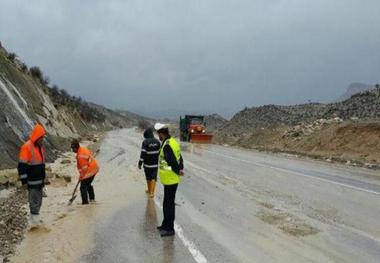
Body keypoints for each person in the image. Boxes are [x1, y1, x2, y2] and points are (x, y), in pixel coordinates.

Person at [154, 123, 184, 237]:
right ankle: (165, 224)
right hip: (170, 179)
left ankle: (169, 229)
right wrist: (180, 168)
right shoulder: (171, 142)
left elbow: (172, 161)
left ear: (162, 133)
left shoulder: (167, 145)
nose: (158, 137)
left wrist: (178, 171)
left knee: (169, 205)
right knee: (167, 203)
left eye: (159, 135)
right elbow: (180, 157)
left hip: (171, 179)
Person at [18, 123, 47, 224]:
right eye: (41, 138)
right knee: (34, 202)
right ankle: (35, 223)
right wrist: (24, 181)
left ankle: (35, 220)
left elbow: (42, 164)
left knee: (38, 202)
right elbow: (22, 166)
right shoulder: (26, 147)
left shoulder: (40, 147)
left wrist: (44, 179)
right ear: (37, 137)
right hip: (32, 181)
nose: (43, 140)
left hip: (39, 181)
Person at [71, 139, 99, 205]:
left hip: (91, 170)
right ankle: (92, 199)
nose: (72, 151)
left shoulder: (80, 156)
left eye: (72, 149)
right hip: (94, 167)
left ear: (75, 148)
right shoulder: (82, 149)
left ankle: (85, 203)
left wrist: (82, 177)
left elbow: (84, 168)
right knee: (88, 184)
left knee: (83, 187)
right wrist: (81, 175)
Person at [138, 128, 161, 198]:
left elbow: (143, 153)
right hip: (155, 164)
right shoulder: (158, 142)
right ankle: (152, 193)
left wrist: (140, 163)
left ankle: (149, 190)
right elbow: (160, 153)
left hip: (147, 164)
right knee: (153, 178)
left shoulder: (145, 142)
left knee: (148, 177)